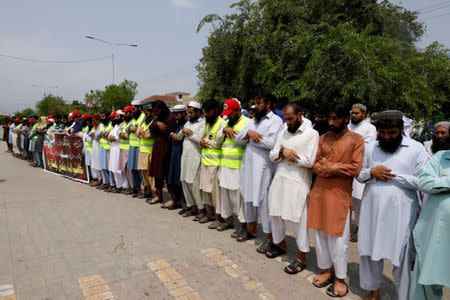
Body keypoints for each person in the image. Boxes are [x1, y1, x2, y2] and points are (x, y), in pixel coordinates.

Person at [356, 110, 428, 300]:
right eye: (383, 132)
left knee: (402, 258)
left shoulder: (416, 148)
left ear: (401, 130)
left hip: (401, 215)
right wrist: (372, 171)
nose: (387, 137)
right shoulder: (370, 147)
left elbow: (424, 181)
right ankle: (373, 291)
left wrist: (394, 176)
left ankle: (404, 296)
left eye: (392, 133)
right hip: (372, 210)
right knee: (370, 251)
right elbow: (359, 175)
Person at [308, 105, 364, 298]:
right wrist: (332, 167)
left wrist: (329, 167)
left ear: (345, 119)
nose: (331, 123)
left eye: (335, 119)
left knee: (338, 238)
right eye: (329, 118)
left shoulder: (356, 140)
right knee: (320, 234)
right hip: (319, 192)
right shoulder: (323, 138)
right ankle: (326, 269)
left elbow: (355, 169)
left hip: (339, 194)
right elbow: (314, 164)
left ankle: (340, 278)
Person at [265, 102, 319, 275]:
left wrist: (289, 154)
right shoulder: (283, 132)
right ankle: (280, 244)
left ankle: (302, 255)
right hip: (280, 178)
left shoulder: (312, 134)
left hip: (297, 182)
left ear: (300, 114)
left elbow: (309, 161)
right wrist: (282, 152)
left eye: (290, 118)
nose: (287, 122)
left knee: (296, 219)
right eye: (286, 119)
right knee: (274, 212)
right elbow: (272, 154)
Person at [237, 93, 284, 247]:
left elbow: (271, 143)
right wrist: (250, 134)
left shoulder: (276, 121)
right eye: (255, 104)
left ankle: (271, 238)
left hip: (263, 165)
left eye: (259, 104)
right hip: (248, 163)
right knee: (248, 196)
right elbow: (238, 137)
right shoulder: (252, 120)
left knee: (264, 201)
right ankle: (251, 231)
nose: (255, 106)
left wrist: (249, 138)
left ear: (268, 104)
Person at [410, 143, 450, 300]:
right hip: (438, 230)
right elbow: (424, 182)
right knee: (429, 273)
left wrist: (441, 181)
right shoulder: (441, 157)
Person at [347, 103, 377, 242]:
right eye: (352, 113)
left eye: (356, 113)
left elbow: (367, 147)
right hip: (346, 166)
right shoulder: (348, 126)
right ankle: (346, 229)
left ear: (364, 114)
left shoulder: (370, 128)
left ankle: (359, 230)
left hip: (360, 166)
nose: (353, 115)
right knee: (347, 201)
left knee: (358, 202)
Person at [218, 99, 249, 233]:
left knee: (238, 199)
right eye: (227, 113)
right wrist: (224, 130)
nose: (228, 115)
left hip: (238, 166)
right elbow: (217, 137)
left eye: (231, 113)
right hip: (224, 165)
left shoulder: (247, 122)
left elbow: (244, 141)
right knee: (225, 196)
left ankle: (243, 226)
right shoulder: (226, 123)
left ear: (237, 110)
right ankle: (229, 222)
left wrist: (230, 133)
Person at [172, 101, 205, 218]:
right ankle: (192, 207)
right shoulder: (187, 123)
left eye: (191, 113)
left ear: (198, 112)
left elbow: (199, 139)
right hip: (185, 157)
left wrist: (188, 133)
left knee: (194, 184)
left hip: (195, 157)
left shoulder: (203, 123)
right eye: (188, 112)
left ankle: (201, 209)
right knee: (184, 181)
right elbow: (179, 136)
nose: (189, 115)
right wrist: (174, 133)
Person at [198, 99, 226, 227]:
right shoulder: (207, 123)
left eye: (208, 112)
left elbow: (218, 143)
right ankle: (210, 215)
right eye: (205, 112)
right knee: (205, 191)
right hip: (205, 161)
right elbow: (200, 137)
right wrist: (200, 141)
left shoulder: (222, 124)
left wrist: (206, 142)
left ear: (215, 110)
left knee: (216, 194)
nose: (206, 114)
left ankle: (219, 219)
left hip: (215, 163)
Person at [147, 100, 176, 205]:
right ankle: (158, 195)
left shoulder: (170, 117)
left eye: (157, 111)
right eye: (154, 111)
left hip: (167, 148)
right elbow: (150, 128)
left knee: (168, 174)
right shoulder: (157, 118)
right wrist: (156, 124)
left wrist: (156, 128)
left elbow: (166, 132)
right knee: (157, 173)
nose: (156, 113)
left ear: (162, 109)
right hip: (157, 148)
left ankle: (173, 198)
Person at [162, 104, 187, 209]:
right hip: (174, 152)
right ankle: (175, 200)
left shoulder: (186, 124)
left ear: (183, 113)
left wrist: (172, 134)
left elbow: (178, 137)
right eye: (174, 113)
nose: (175, 115)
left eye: (177, 113)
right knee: (173, 177)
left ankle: (180, 201)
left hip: (181, 153)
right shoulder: (176, 124)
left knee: (180, 178)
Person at [137, 103, 155, 200]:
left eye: (147, 112)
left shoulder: (154, 122)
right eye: (144, 112)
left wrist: (142, 133)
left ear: (152, 112)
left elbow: (148, 135)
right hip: (142, 150)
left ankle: (153, 192)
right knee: (144, 172)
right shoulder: (144, 123)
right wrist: (141, 133)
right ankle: (147, 190)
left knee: (151, 173)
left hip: (150, 151)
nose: (145, 114)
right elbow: (138, 133)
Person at [128, 100, 146, 195]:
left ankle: (144, 188)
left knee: (140, 169)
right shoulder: (133, 118)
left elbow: (142, 130)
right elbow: (128, 128)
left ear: (139, 108)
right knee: (133, 168)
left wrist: (135, 129)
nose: (132, 111)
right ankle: (136, 187)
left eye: (134, 109)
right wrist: (131, 128)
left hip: (140, 146)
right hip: (132, 146)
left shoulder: (144, 117)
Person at [108, 110, 128, 193]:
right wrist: (110, 137)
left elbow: (116, 138)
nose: (115, 118)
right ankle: (118, 185)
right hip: (113, 148)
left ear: (121, 117)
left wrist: (111, 137)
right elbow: (109, 136)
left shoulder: (123, 125)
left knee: (119, 169)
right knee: (113, 168)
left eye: (117, 116)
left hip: (119, 148)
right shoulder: (116, 126)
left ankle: (124, 186)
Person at [119, 106, 134, 194]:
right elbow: (119, 132)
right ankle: (128, 186)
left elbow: (127, 135)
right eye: (124, 113)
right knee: (124, 169)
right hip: (123, 148)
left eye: (127, 113)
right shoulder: (124, 123)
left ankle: (133, 187)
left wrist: (123, 135)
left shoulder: (132, 122)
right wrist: (122, 134)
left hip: (129, 148)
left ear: (130, 113)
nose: (125, 114)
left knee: (129, 169)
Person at [96, 112, 113, 190]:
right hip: (102, 147)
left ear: (107, 116)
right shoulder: (101, 125)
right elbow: (96, 136)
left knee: (109, 167)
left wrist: (105, 135)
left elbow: (110, 135)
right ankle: (105, 182)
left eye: (103, 116)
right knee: (103, 167)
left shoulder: (111, 124)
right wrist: (100, 133)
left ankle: (112, 184)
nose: (102, 118)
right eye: (101, 116)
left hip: (109, 148)